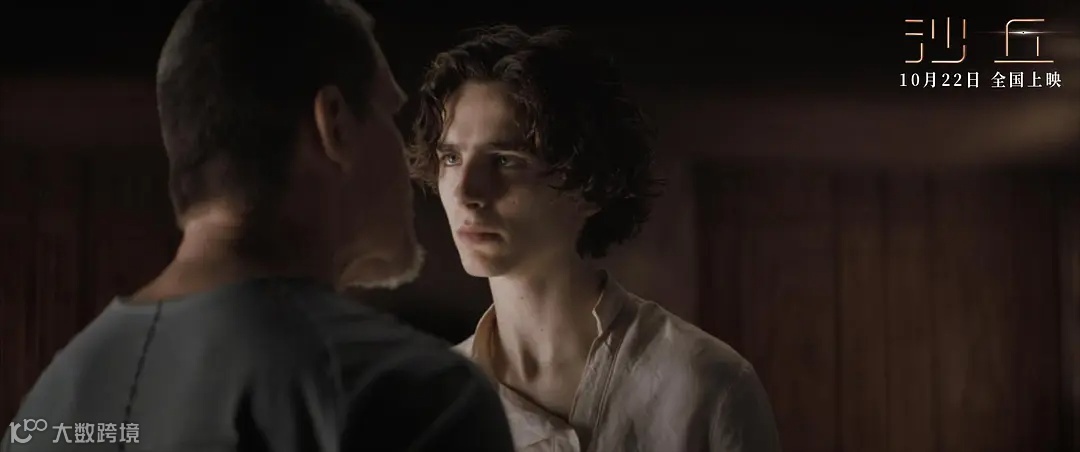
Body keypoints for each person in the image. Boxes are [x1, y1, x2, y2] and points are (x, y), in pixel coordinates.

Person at [2, 1, 514, 451]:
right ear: (334, 124)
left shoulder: (51, 404)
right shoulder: (412, 397)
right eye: (388, 113)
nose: (409, 162)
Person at [407, 25, 782, 452]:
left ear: (587, 186)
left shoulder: (704, 387)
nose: (466, 192)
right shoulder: (432, 409)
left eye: (505, 160)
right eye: (451, 158)